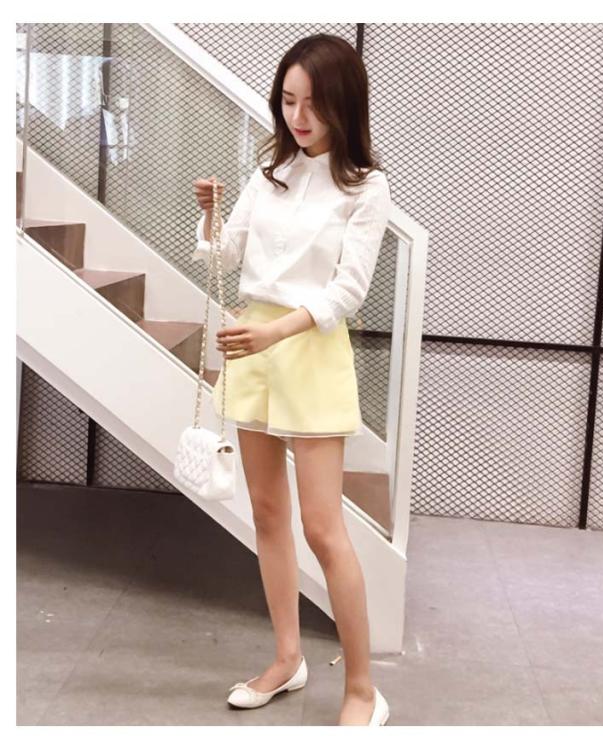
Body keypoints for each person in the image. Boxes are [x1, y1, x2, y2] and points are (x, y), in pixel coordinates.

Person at [192, 33, 392, 726]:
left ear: (344, 104)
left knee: (322, 527)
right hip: (254, 345)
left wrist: (273, 333)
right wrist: (210, 210)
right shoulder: (269, 171)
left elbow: (347, 292)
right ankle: (286, 659)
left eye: (313, 103)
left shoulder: (366, 186)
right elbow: (222, 255)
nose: (298, 117)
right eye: (287, 100)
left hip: (306, 348)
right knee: (268, 514)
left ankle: (363, 690)